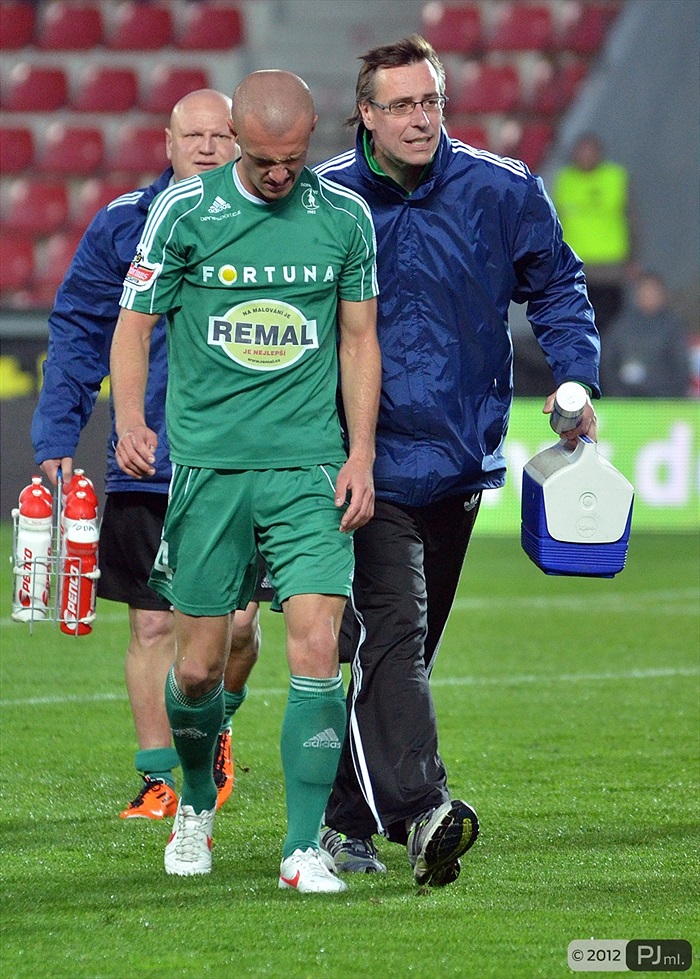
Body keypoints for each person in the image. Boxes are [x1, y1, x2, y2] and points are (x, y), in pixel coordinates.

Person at [314, 35, 600, 887]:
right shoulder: (325, 199)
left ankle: (342, 823)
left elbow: (559, 283)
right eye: (401, 104)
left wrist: (574, 378)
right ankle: (426, 809)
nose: (419, 118)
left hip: (460, 456)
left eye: (430, 101)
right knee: (396, 632)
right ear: (366, 114)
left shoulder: (502, 190)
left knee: (401, 650)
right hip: (363, 463)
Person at [110, 70, 381, 893]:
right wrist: (130, 419)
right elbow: (133, 325)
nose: (278, 173)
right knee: (198, 669)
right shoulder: (184, 211)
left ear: (312, 138)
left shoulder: (344, 217)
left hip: (308, 468)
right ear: (236, 139)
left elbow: (359, 340)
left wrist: (360, 453)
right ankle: (196, 803)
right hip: (210, 470)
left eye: (292, 158)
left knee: (317, 647)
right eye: (263, 160)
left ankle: (301, 849)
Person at [31, 89, 270, 819]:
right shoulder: (124, 224)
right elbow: (79, 328)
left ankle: (214, 727)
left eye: (221, 135)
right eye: (192, 135)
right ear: (167, 143)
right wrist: (57, 433)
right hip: (147, 461)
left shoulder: (277, 222)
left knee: (238, 628)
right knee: (152, 623)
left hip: (243, 459)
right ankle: (158, 777)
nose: (206, 146)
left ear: (241, 142)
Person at [552, 133, 638, 334]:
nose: (585, 156)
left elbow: (632, 220)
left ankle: (609, 354)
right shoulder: (564, 180)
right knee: (578, 322)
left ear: (600, 153)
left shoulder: (615, 177)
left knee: (611, 323)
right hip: (576, 266)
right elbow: (554, 222)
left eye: (590, 152)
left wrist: (633, 258)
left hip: (610, 265)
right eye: (581, 152)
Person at [601, 271, 691, 397]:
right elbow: (606, 361)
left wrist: (672, 395)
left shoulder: (673, 327)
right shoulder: (621, 325)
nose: (649, 296)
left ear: (663, 295)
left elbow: (681, 366)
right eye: (645, 292)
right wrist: (615, 392)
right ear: (637, 295)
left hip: (663, 399)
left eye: (654, 292)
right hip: (625, 399)